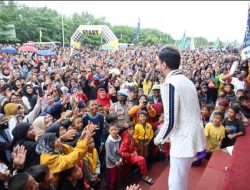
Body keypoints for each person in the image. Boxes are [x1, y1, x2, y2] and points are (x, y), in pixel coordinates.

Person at [154, 47, 205, 190]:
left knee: (176, 183)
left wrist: (158, 139)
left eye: (158, 63)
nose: (157, 66)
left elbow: (171, 121)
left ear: (163, 64)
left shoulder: (170, 83)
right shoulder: (186, 80)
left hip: (184, 140)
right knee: (181, 178)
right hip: (193, 136)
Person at [105, 124, 122, 190]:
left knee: (116, 177)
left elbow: (120, 149)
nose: (114, 131)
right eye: (111, 130)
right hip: (111, 164)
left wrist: (120, 159)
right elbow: (108, 155)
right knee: (111, 180)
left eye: (115, 129)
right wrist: (115, 162)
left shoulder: (119, 138)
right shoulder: (108, 142)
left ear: (118, 130)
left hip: (118, 162)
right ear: (109, 131)